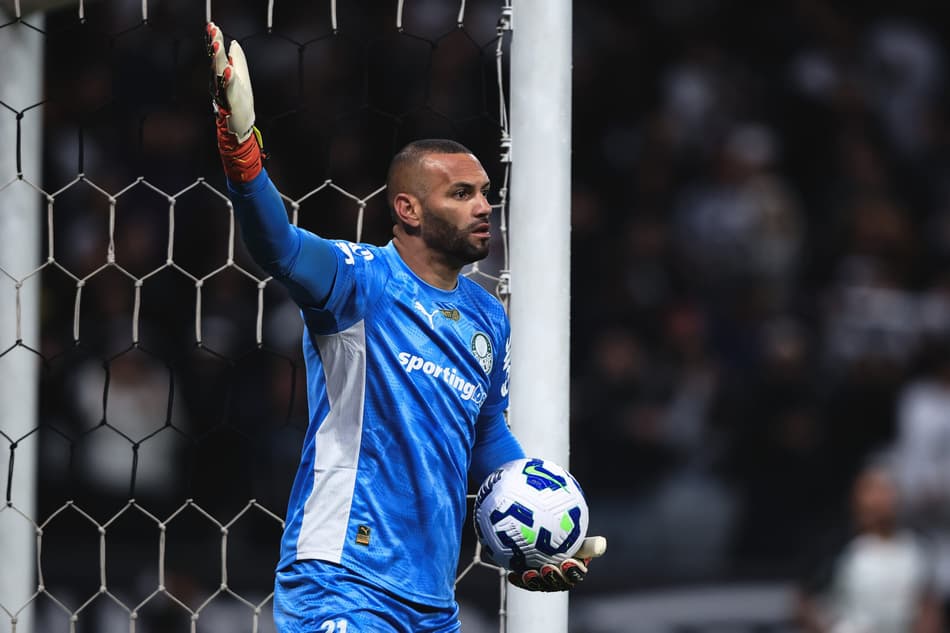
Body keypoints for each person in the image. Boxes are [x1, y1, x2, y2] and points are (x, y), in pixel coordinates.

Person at [205, 22, 605, 633]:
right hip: (343, 578)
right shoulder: (361, 282)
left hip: (431, 601)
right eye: (463, 193)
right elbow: (279, 247)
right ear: (408, 209)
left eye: (485, 193)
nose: (483, 207)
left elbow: (486, 432)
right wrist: (244, 159)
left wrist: (537, 531)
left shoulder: (485, 316)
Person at [794, 462, 942, 633]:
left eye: (885, 490)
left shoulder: (916, 548)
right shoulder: (837, 547)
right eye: (870, 490)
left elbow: (929, 604)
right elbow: (803, 602)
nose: (879, 499)